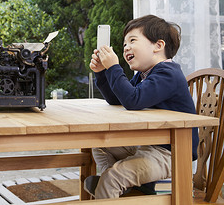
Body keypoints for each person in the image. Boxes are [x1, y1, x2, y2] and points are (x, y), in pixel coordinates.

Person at [85, 14, 198, 199]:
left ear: (158, 46)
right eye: (124, 45)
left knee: (113, 178)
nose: (126, 47)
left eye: (132, 41)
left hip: (172, 154)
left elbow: (132, 100)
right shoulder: (144, 74)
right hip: (148, 145)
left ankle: (110, 183)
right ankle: (113, 184)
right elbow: (118, 99)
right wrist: (103, 73)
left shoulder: (168, 74)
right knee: (100, 145)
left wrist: (114, 67)